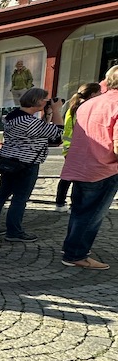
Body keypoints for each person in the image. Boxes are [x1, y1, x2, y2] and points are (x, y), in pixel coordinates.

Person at [0, 87, 62, 242]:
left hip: (9, 161)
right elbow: (57, 134)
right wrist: (56, 111)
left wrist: (48, 114)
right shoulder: (28, 121)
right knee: (20, 198)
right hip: (26, 164)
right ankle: (14, 232)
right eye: (44, 99)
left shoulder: (12, 116)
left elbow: (41, 131)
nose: (47, 102)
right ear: (37, 101)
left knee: (1, 194)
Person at [58, 67, 118, 270]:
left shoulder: (89, 103)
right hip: (103, 168)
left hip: (80, 165)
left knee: (79, 211)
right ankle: (76, 254)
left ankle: (71, 248)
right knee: (91, 215)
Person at [55, 82, 101, 211]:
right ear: (93, 94)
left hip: (70, 147)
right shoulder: (88, 108)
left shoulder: (73, 107)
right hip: (81, 148)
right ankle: (73, 205)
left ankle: (60, 203)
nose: (101, 95)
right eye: (99, 92)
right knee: (79, 179)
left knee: (67, 176)